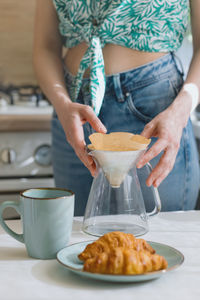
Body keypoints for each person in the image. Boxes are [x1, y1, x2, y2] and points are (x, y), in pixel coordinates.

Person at [33, 0, 200, 216]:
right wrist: (62, 103)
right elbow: (45, 47)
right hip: (74, 111)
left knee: (158, 239)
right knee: (77, 242)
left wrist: (180, 111)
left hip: (154, 111)